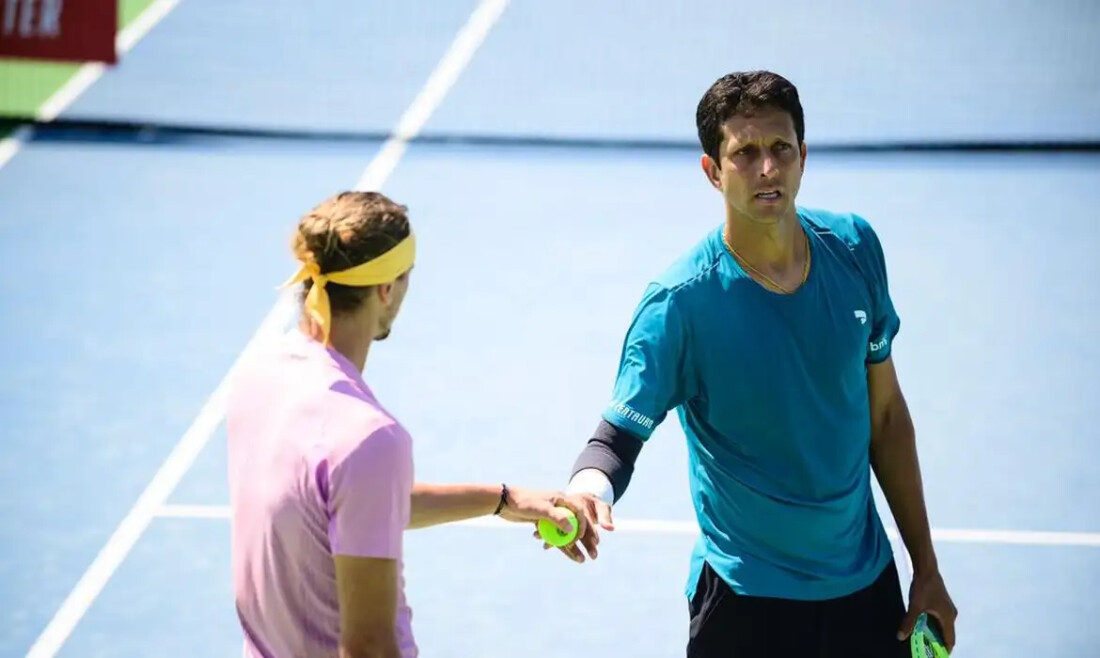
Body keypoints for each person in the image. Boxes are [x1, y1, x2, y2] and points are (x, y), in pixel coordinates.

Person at [559, 71, 958, 657]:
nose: (767, 170)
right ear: (712, 171)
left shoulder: (855, 250)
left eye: (781, 150)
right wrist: (587, 490)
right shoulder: (680, 305)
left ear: (803, 156)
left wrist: (926, 566)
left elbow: (888, 418)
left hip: (866, 589)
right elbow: (615, 440)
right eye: (745, 153)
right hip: (746, 604)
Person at [225, 191, 597, 658]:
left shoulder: (259, 375)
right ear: (386, 289)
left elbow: (348, 501)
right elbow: (369, 648)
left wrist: (504, 500)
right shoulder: (368, 438)